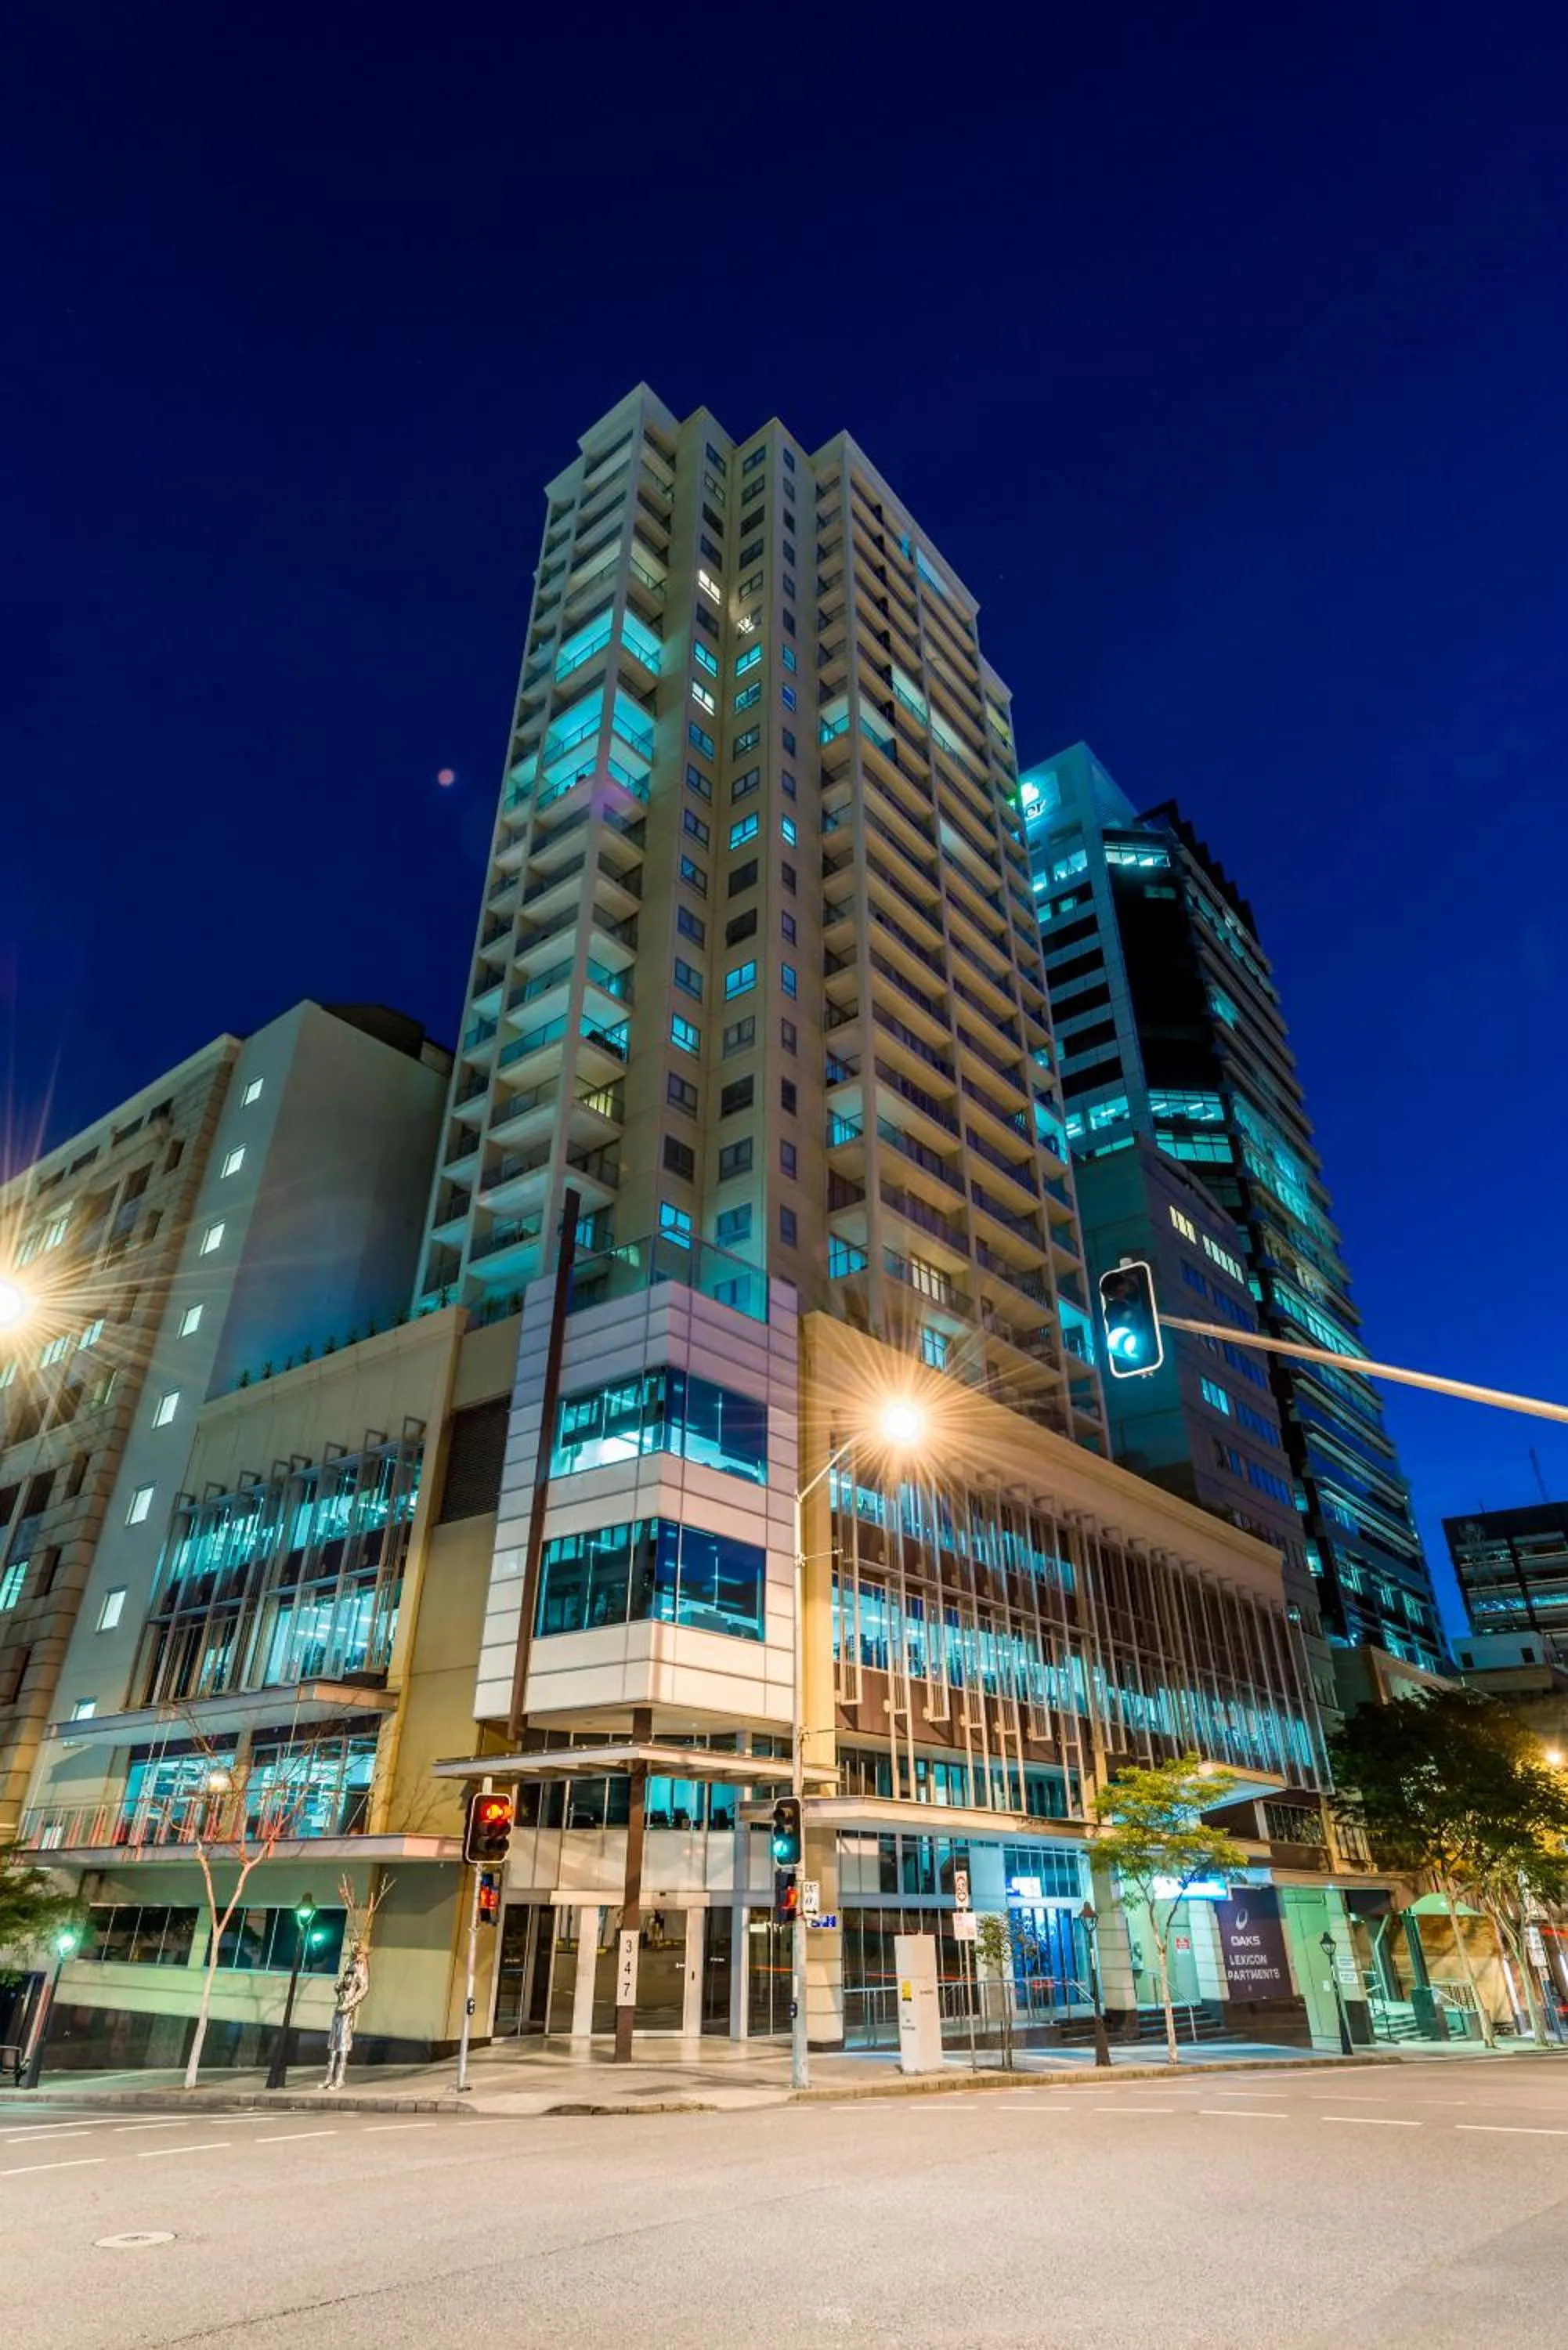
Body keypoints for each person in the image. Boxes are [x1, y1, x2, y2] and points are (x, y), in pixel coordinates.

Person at [322, 1940, 370, 2089]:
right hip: (339, 2006)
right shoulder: (348, 1964)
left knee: (343, 2043)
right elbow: (344, 1983)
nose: (354, 1950)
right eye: (353, 1947)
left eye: (357, 1948)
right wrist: (338, 1988)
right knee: (333, 2043)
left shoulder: (361, 1966)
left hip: (347, 2009)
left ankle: (340, 2079)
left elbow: (364, 1988)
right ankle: (328, 2078)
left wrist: (351, 2004)